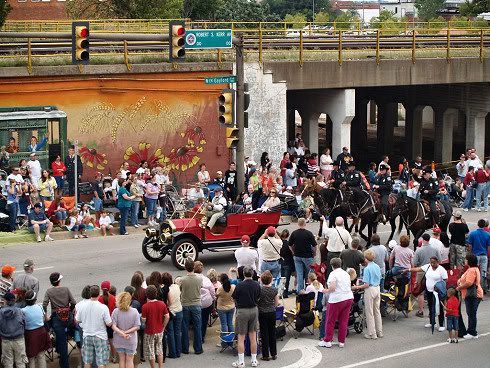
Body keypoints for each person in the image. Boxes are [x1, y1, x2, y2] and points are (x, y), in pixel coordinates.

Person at [404, 257, 448, 332]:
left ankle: (441, 324)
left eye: (434, 262)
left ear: (438, 262)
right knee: (431, 307)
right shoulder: (428, 266)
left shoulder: (441, 270)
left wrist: (439, 287)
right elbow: (418, 269)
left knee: (439, 308)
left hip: (437, 292)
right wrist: (408, 270)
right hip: (429, 291)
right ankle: (432, 322)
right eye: (431, 262)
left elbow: (445, 280)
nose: (432, 264)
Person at [318, 258, 354, 348]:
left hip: (337, 299)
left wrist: (325, 290)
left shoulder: (333, 274)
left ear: (332, 265)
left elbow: (333, 288)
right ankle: (341, 341)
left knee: (330, 320)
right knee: (343, 320)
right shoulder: (346, 273)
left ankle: (327, 340)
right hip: (348, 297)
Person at [42, 272, 76, 368]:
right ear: (59, 281)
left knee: (61, 342)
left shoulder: (49, 291)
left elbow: (44, 305)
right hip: (68, 319)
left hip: (57, 319)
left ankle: (63, 362)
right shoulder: (66, 289)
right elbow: (73, 302)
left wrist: (46, 317)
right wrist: (70, 311)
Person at [75, 285, 112, 368]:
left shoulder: (82, 306)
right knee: (101, 361)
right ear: (99, 294)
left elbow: (77, 320)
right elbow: (109, 323)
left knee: (87, 361)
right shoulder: (103, 307)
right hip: (100, 336)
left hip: (87, 335)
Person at [232, 266, 260, 368]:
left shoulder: (240, 285)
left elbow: (234, 298)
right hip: (253, 310)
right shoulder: (257, 285)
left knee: (241, 337)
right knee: (253, 337)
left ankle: (241, 362)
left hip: (242, 311)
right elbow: (258, 297)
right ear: (252, 274)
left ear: (244, 274)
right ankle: (254, 360)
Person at [353, 249, 383, 339]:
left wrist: (357, 287)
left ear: (366, 258)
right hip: (377, 288)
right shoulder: (377, 266)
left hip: (370, 290)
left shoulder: (367, 269)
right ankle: (379, 331)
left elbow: (366, 284)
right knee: (377, 311)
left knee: (369, 312)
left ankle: (372, 333)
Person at [141, 285, 169, 368]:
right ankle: (161, 366)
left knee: (151, 351)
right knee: (159, 349)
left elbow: (144, 320)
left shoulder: (145, 306)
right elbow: (167, 316)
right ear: (156, 293)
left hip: (149, 331)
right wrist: (163, 326)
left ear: (147, 295)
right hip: (160, 330)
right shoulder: (162, 304)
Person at [456, 254, 484, 339]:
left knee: (471, 313)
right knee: (471, 313)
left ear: (469, 261)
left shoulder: (471, 270)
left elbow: (469, 282)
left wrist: (459, 287)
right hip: (473, 294)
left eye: (466, 260)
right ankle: (471, 330)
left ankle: (472, 332)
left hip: (472, 294)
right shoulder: (473, 269)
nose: (465, 261)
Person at [412, 233, 440, 317]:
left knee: (421, 292)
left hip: (421, 271)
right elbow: (440, 261)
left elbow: (415, 263)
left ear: (423, 240)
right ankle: (433, 310)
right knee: (433, 291)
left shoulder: (419, 250)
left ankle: (421, 311)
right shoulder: (435, 249)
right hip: (433, 270)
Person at [180, 258, 203, 355]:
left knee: (184, 327)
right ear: (194, 267)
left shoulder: (182, 279)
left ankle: (185, 348)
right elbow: (200, 287)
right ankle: (198, 349)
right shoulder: (199, 278)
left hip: (185, 304)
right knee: (197, 327)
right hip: (196, 304)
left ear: (185, 267)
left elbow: (180, 289)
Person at [111, 291, 140, 368]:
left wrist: (122, 333)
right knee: (129, 360)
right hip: (130, 339)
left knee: (121, 359)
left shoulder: (115, 311)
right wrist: (126, 332)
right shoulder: (135, 311)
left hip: (119, 339)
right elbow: (137, 326)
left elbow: (113, 326)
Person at [22, 290, 50, 368]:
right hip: (41, 332)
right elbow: (45, 319)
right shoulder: (40, 307)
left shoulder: (23, 311)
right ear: (35, 300)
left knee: (31, 357)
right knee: (41, 355)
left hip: (30, 335)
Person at [289, 218, 317, 293]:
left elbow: (290, 244)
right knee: (310, 273)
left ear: (298, 224)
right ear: (305, 224)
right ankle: (309, 289)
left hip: (297, 256)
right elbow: (314, 245)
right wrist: (314, 253)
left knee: (299, 273)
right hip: (307, 256)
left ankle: (300, 291)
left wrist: (293, 251)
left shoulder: (294, 233)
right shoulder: (309, 233)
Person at [0, 291, 27, 368]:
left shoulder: (0, 312)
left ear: (5, 301)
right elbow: (24, 323)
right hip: (19, 340)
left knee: (8, 363)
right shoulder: (19, 311)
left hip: (6, 340)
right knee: (21, 363)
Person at [257, 271, 279, 362]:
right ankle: (274, 354)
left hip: (262, 313)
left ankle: (265, 355)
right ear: (271, 280)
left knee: (264, 333)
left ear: (262, 280)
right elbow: (276, 303)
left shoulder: (260, 290)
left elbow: (257, 301)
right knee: (272, 333)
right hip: (272, 312)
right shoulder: (274, 290)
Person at [193, 261, 216, 344]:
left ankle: (197, 337)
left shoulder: (191, 279)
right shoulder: (206, 279)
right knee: (204, 320)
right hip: (206, 303)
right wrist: (213, 299)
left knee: (196, 321)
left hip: (195, 302)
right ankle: (202, 337)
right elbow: (212, 291)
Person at [163, 273, 183, 359]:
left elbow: (169, 302)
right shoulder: (176, 286)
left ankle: (172, 352)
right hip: (179, 310)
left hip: (171, 312)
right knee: (177, 332)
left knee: (171, 332)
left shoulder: (167, 290)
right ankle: (178, 351)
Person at [99, 281, 117, 363]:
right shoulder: (113, 298)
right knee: (111, 341)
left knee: (103, 342)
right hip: (110, 322)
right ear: (109, 288)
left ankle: (104, 358)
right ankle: (114, 357)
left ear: (101, 289)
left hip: (102, 323)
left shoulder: (99, 299)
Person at [216, 273, 236, 345]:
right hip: (231, 307)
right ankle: (231, 341)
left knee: (224, 324)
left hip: (222, 308)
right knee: (230, 323)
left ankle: (224, 342)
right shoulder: (233, 287)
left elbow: (216, 295)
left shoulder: (220, 289)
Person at [279, 229, 294, 298]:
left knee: (282, 278)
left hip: (281, 261)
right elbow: (292, 254)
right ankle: (285, 293)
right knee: (287, 279)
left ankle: (281, 292)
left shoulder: (279, 243)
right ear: (288, 236)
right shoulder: (289, 244)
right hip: (288, 262)